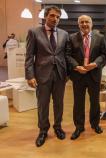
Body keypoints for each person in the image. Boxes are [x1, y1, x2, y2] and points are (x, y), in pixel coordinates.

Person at [25, 6, 69, 147]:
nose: (55, 19)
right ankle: (43, 130)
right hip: (42, 75)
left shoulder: (64, 34)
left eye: (57, 17)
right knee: (43, 104)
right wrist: (30, 76)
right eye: (52, 16)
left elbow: (66, 56)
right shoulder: (34, 32)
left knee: (59, 103)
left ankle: (58, 127)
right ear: (45, 16)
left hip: (60, 75)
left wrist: (67, 74)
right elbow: (29, 56)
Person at [66, 15, 106, 140]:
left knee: (95, 102)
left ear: (91, 23)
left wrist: (95, 64)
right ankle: (79, 127)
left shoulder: (100, 38)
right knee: (78, 103)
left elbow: (104, 55)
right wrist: (77, 67)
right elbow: (67, 55)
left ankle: (95, 124)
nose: (84, 24)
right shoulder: (72, 38)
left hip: (94, 75)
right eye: (82, 22)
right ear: (78, 24)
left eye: (87, 22)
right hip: (78, 75)